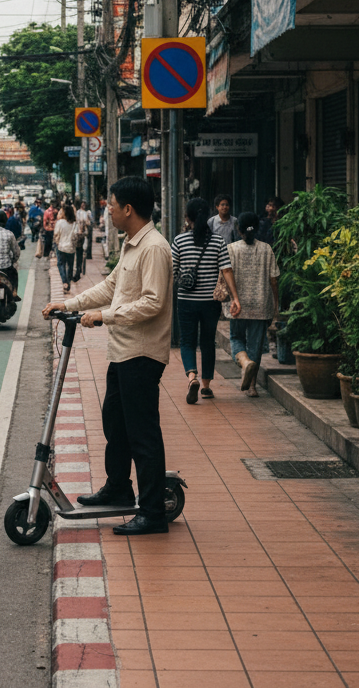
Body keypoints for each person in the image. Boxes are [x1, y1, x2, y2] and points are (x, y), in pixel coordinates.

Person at [43, 177, 174, 535]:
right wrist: (69, 304)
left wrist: (105, 316)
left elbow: (152, 302)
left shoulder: (154, 248)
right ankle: (118, 486)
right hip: (123, 352)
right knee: (115, 423)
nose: (108, 211)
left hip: (142, 353)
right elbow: (110, 287)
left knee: (142, 433)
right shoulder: (132, 244)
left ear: (128, 209)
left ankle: (152, 513)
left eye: (111, 205)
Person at [172, 198, 241, 404]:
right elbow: (226, 270)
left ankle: (192, 377)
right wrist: (235, 298)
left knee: (187, 340)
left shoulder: (179, 241)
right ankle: (206, 386)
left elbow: (172, 271)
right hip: (211, 301)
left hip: (186, 300)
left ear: (188, 218)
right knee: (208, 342)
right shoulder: (218, 241)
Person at [224, 212, 280, 397]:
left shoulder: (231, 249)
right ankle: (252, 387)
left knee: (236, 338)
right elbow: (274, 280)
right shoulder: (266, 249)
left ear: (238, 229)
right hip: (260, 304)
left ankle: (244, 362)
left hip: (237, 304)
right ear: (257, 228)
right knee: (255, 346)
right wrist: (276, 303)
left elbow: (225, 275)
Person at [53, 203, 79, 293]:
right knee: (70, 266)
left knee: (61, 264)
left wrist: (56, 242)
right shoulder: (74, 224)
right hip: (71, 248)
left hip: (61, 247)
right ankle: (68, 284)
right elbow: (76, 234)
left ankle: (65, 282)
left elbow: (56, 234)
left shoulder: (60, 223)